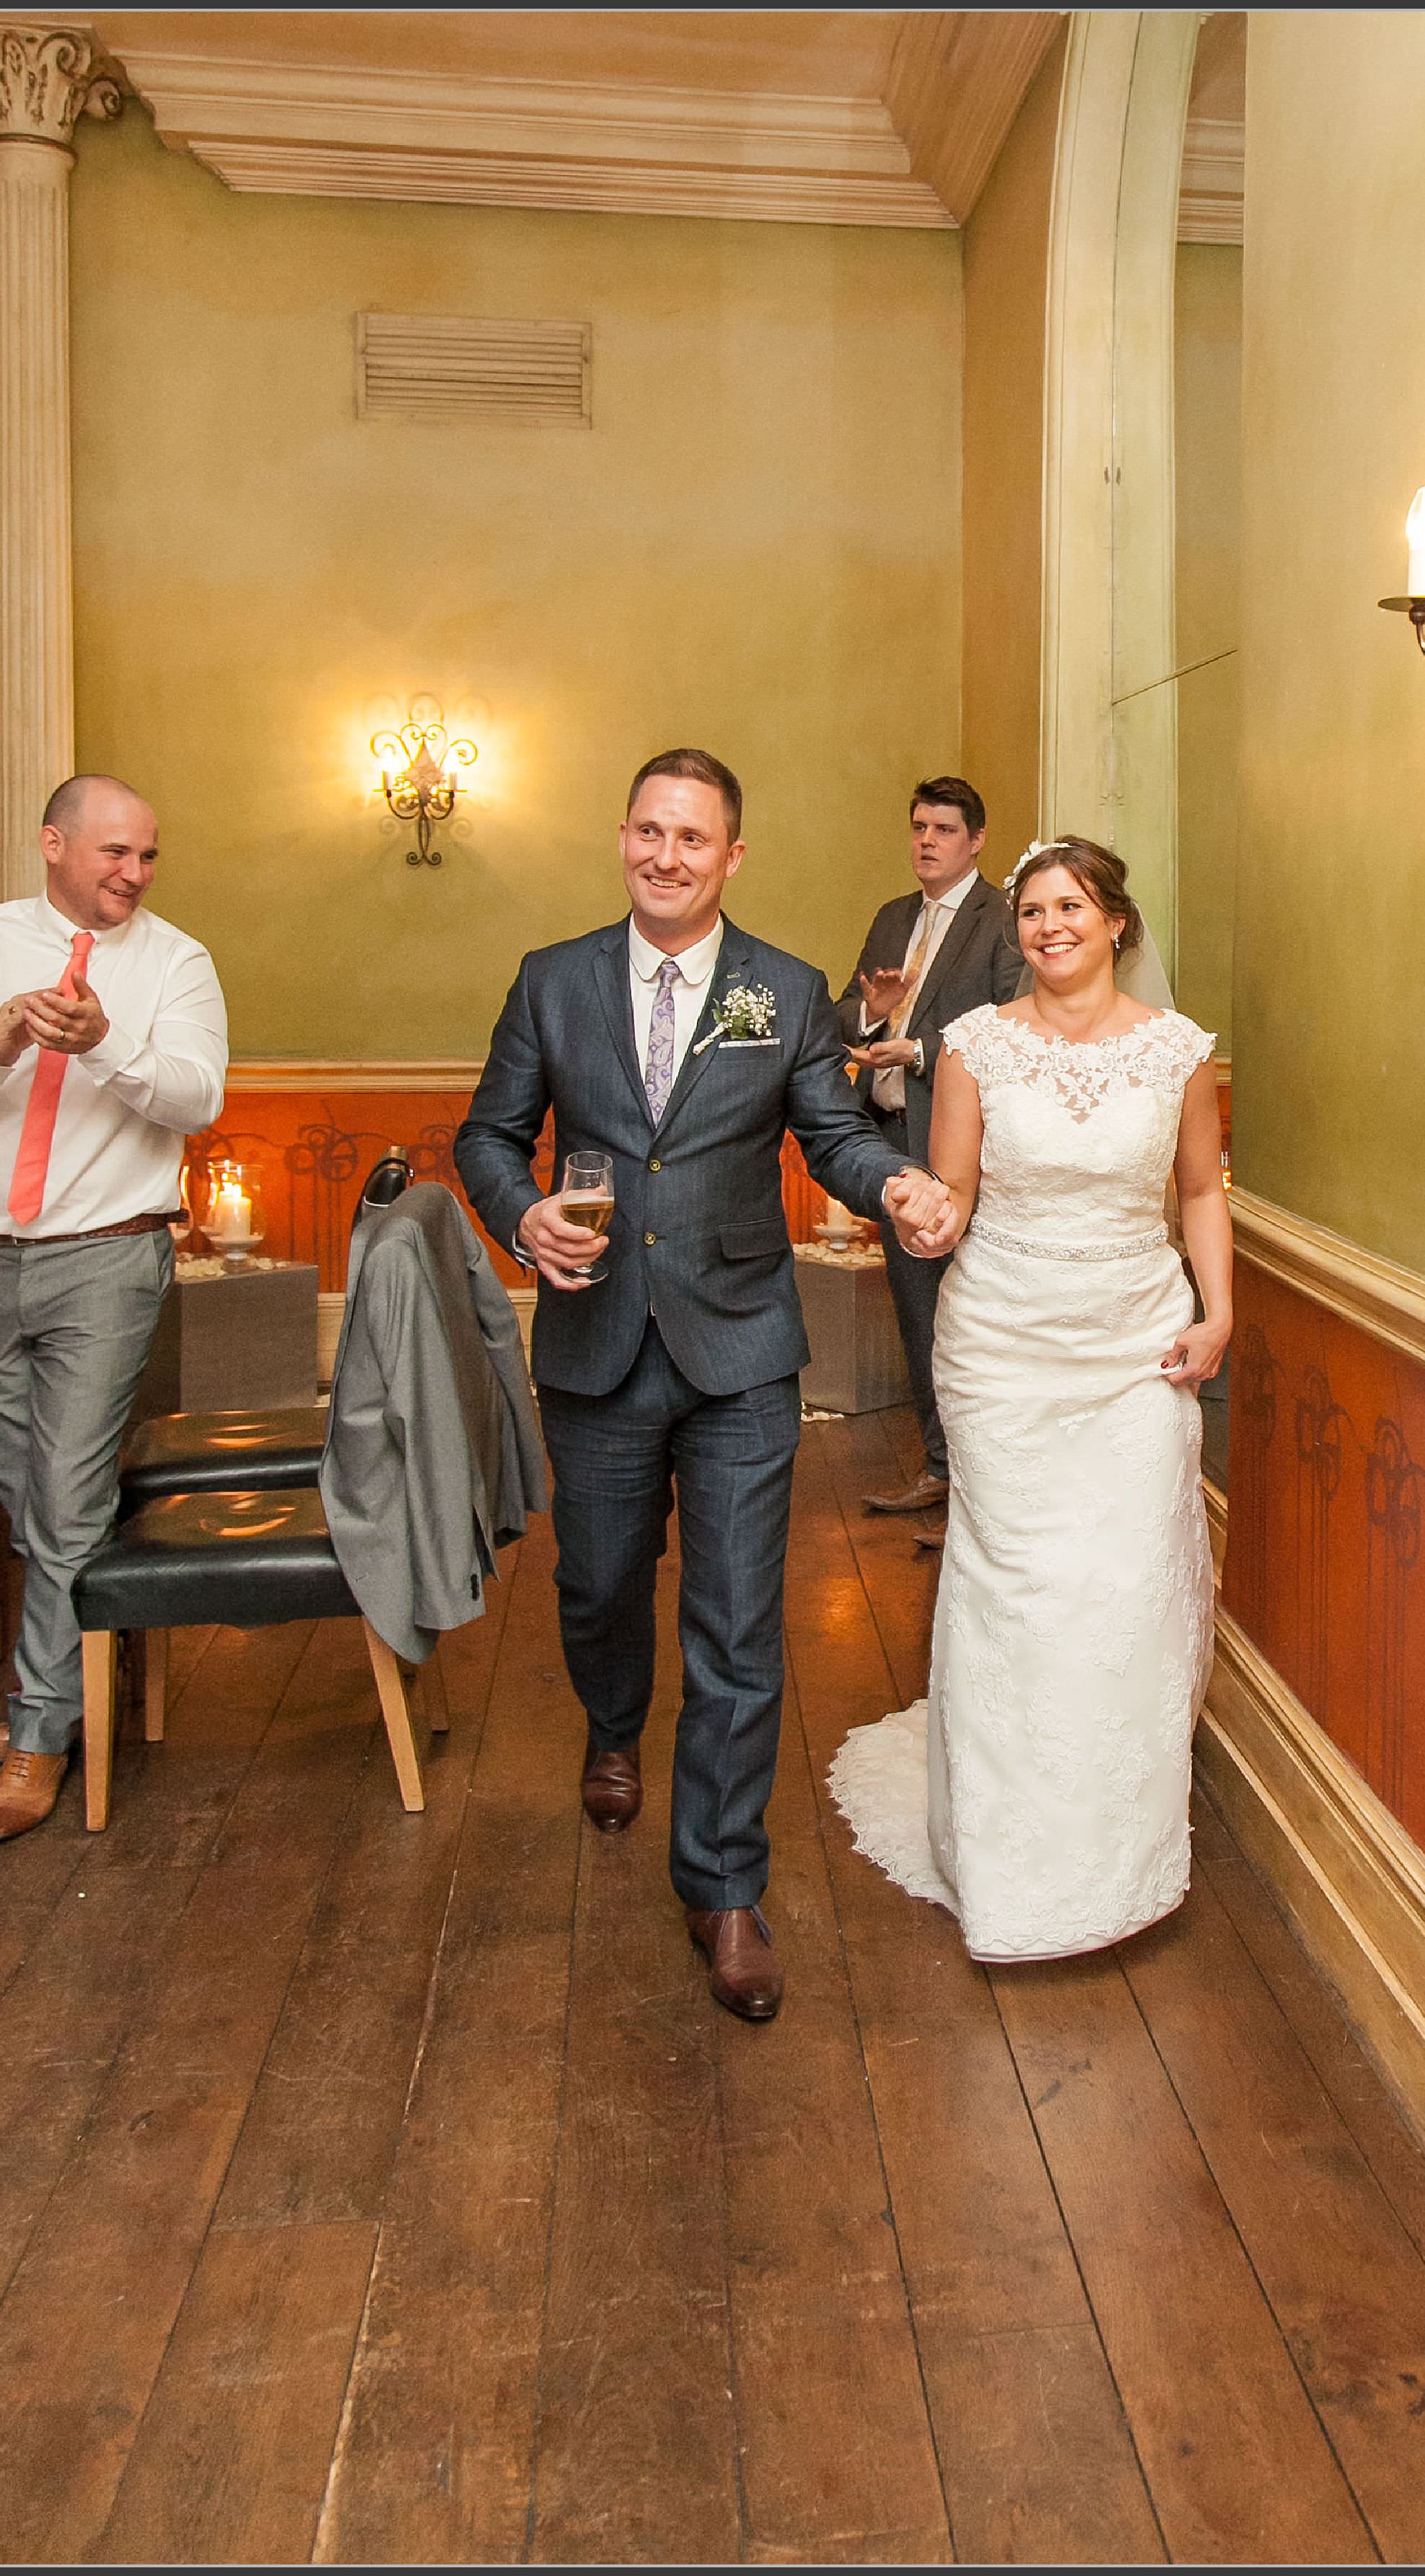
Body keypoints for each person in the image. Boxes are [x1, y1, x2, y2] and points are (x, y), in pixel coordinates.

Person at [454, 748, 953, 2020]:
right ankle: (613, 1720)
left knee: (736, 1622)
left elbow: (829, 1129)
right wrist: (523, 1217)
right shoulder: (551, 980)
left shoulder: (781, 989)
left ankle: (724, 1882)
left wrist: (889, 1180)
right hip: (595, 1337)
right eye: (649, 831)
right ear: (621, 837)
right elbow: (487, 1135)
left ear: (733, 856)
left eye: (695, 838)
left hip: (737, 1348)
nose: (667, 855)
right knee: (597, 1580)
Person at [828, 837, 1231, 1960]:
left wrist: (1220, 1310)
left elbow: (1200, 1188)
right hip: (1002, 1344)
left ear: (1116, 922)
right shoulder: (974, 1046)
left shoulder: (1178, 1052)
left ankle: (1117, 1843)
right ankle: (1008, 1857)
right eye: (1034, 909)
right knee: (1022, 1589)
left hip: (1134, 1349)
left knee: (1123, 1587)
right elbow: (952, 1192)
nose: (1049, 925)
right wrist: (923, 1212)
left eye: (1072, 906)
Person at [0, 774, 228, 1841]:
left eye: (149, 856)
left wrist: (105, 1044)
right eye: (114, 853)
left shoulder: (176, 962)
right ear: (52, 845)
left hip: (107, 1260)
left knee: (68, 1496)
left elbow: (197, 1096)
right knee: (38, 1492)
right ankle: (89, 1645)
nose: (134, 873)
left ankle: (39, 1730)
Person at [836, 775, 1022, 1519]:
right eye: (918, 826)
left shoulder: (1004, 917)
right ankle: (941, 1468)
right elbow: (853, 1018)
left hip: (966, 1150)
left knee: (974, 1316)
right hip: (887, 1142)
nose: (926, 840)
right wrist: (870, 1020)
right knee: (919, 1315)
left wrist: (920, 1050)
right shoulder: (891, 917)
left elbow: (1016, 1023)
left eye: (943, 829)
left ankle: (986, 1488)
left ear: (975, 840)